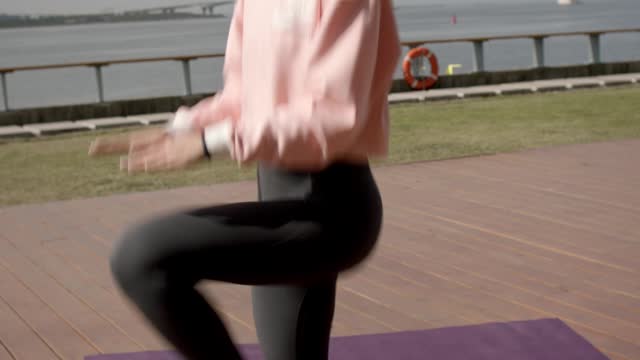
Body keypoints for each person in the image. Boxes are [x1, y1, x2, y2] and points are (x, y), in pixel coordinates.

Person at [88, 0, 401, 359]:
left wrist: (209, 143)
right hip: (278, 198)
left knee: (141, 254)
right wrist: (183, 128)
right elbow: (242, 95)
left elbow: (335, 116)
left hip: (331, 210)